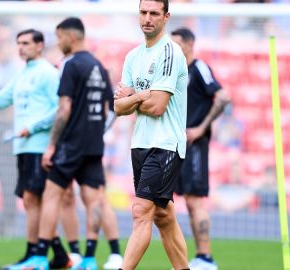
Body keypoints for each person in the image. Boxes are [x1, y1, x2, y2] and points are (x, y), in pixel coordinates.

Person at [0, 29, 70, 269]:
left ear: (39, 45)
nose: (21, 48)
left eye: (26, 43)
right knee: (29, 201)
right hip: (23, 146)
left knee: (32, 198)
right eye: (19, 43)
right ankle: (55, 255)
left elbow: (59, 108)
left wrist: (33, 126)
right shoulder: (22, 74)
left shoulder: (47, 73)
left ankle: (35, 256)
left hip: (39, 146)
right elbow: (2, 100)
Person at [27, 17, 114, 270]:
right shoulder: (99, 65)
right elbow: (109, 109)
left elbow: (64, 108)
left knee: (51, 195)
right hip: (94, 145)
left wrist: (52, 145)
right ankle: (88, 258)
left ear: (71, 36)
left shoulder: (70, 64)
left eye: (60, 36)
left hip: (72, 143)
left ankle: (41, 256)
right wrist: (96, 132)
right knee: (94, 200)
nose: (58, 41)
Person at [113, 0, 190, 269]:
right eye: (143, 12)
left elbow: (157, 107)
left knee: (141, 211)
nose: (147, 18)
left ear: (166, 17)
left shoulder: (170, 52)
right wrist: (143, 94)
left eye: (154, 13)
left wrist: (134, 96)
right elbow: (118, 107)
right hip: (141, 144)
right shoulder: (133, 56)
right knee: (164, 217)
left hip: (166, 144)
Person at [171, 27, 230, 270]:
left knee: (195, 201)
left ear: (188, 44)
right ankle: (192, 258)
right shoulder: (175, 72)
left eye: (176, 43)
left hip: (194, 146)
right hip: (174, 145)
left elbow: (223, 97)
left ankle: (206, 258)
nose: (172, 48)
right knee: (176, 203)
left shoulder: (199, 68)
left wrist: (200, 127)